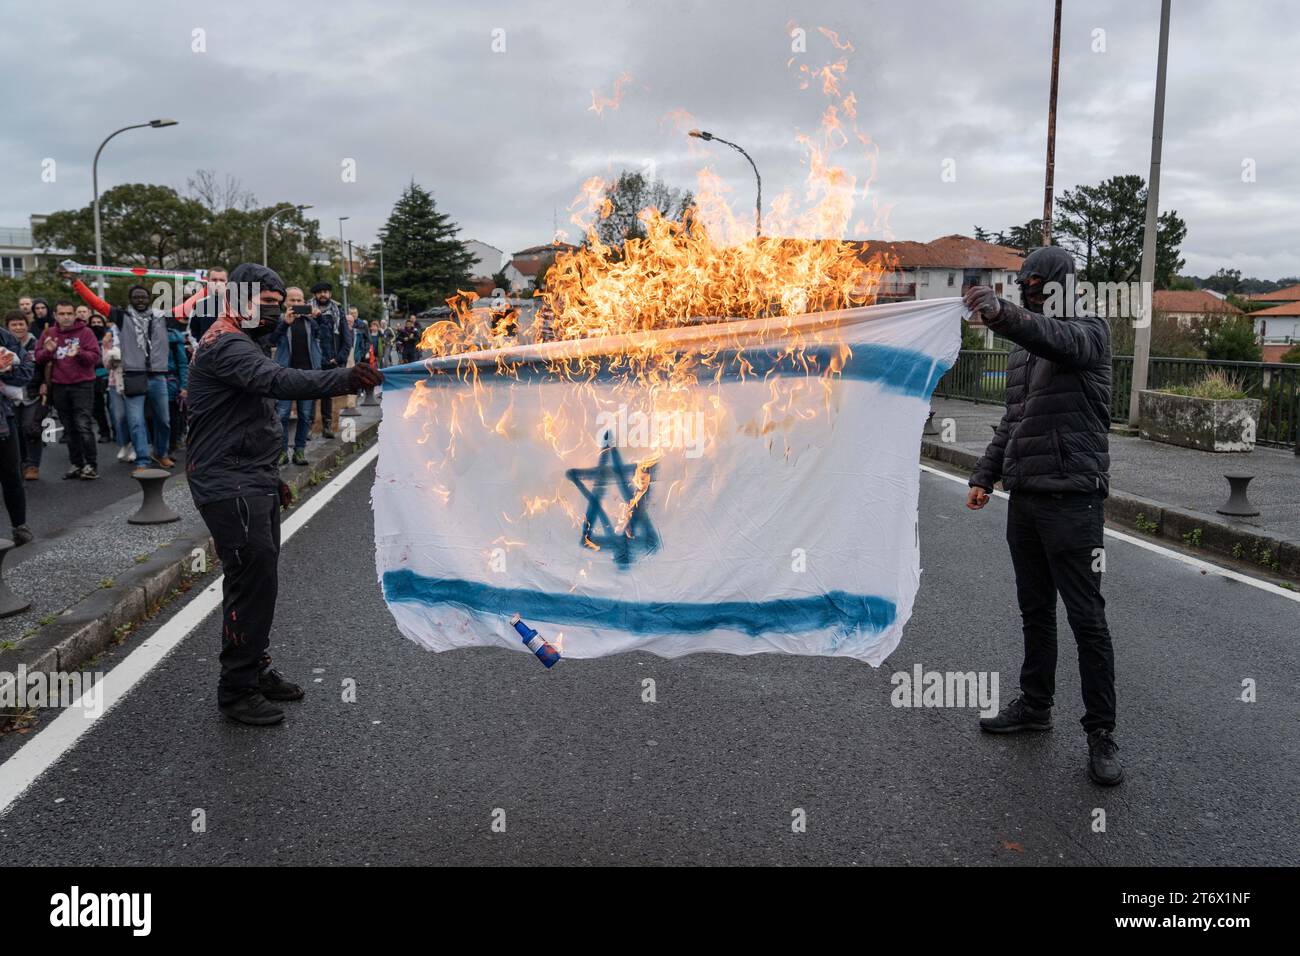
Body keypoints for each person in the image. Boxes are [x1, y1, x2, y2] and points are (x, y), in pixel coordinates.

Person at [186, 263, 382, 726]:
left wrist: (269, 476)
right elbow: (278, 383)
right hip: (227, 480)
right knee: (250, 583)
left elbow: (249, 414)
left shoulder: (245, 338)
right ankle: (236, 690)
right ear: (237, 300)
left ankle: (255, 668)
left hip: (247, 475)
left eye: (281, 306)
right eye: (267, 305)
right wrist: (346, 378)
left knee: (262, 579)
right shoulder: (227, 343)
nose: (276, 314)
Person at [963, 246, 1121, 787]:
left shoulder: (1089, 330)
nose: (1026, 285)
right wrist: (985, 474)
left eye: (1035, 280)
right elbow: (1014, 419)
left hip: (1074, 499)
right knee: (1035, 610)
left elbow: (1052, 337)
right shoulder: (1021, 353)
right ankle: (1035, 705)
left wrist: (1003, 313)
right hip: (1026, 496)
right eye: (1021, 279)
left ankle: (1102, 734)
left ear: (1058, 283)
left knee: (1087, 619)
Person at [66, 272, 204, 472]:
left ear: (149, 299)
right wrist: (76, 283)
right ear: (130, 300)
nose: (140, 300)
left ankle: (160, 452)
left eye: (144, 296)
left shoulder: (161, 317)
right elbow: (96, 303)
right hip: (133, 375)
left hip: (158, 376)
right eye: (136, 297)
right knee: (137, 422)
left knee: (164, 421)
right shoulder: (121, 317)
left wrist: (207, 288)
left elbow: (188, 305)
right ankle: (141, 460)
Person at [35, 301, 101, 480]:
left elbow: (95, 357)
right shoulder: (49, 333)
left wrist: (79, 353)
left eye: (69, 313)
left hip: (82, 385)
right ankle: (76, 463)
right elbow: (38, 357)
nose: (66, 317)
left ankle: (90, 464)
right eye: (62, 314)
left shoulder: (85, 332)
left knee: (83, 425)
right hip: (59, 385)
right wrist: (48, 351)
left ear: (75, 315)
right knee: (69, 427)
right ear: (55, 315)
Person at [267, 286, 319, 467]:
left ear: (305, 302)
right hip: (285, 374)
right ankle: (281, 452)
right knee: (281, 415)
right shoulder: (279, 320)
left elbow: (325, 337)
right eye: (292, 300)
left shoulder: (310, 322)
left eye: (299, 301)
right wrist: (285, 323)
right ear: (285, 303)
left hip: (307, 375)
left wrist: (317, 317)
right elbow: (270, 340)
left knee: (305, 415)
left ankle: (299, 450)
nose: (296, 304)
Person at [0, 311, 35, 545]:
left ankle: (19, 526)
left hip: (3, 419)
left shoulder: (5, 338)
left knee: (11, 475)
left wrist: (8, 370)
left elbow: (26, 372)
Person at [309, 282, 352, 439]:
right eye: (319, 292)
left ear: (330, 294)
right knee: (309, 392)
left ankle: (327, 426)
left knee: (327, 393)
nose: (323, 295)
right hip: (312, 358)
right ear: (315, 295)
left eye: (326, 292)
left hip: (330, 360)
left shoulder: (338, 311)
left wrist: (339, 358)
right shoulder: (307, 310)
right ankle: (309, 425)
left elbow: (347, 339)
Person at [6, 312, 43, 481]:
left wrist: (45, 383)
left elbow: (44, 364)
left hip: (32, 393)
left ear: (27, 325)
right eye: (14, 325)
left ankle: (33, 465)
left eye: (21, 324)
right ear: (7, 327)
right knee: (15, 431)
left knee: (31, 429)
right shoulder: (4, 344)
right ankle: (20, 463)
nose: (18, 328)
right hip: (9, 395)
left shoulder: (36, 343)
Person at [100, 323, 134, 464]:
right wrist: (109, 351)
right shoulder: (109, 341)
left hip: (133, 382)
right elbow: (106, 365)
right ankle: (124, 444)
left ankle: (136, 446)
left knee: (135, 417)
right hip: (114, 383)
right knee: (119, 417)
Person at [84, 310, 114, 443]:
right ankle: (104, 432)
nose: (96, 325)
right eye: (93, 322)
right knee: (98, 408)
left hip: (110, 376)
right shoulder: (87, 339)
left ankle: (117, 430)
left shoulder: (110, 337)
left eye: (99, 322)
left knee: (113, 406)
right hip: (93, 376)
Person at [186, 266, 227, 343]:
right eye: (214, 280)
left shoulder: (236, 304)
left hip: (231, 352)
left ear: (227, 282)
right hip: (207, 353)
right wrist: (199, 348)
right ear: (208, 281)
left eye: (222, 280)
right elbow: (192, 332)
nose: (218, 283)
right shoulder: (199, 305)